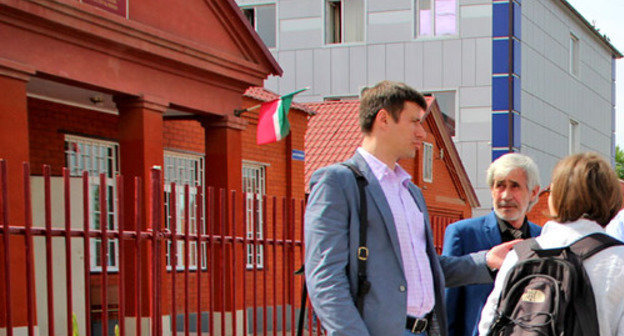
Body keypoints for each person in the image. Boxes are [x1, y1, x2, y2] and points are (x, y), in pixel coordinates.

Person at [304, 81, 518, 336]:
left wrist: (486, 260)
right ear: (383, 119)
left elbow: (425, 267)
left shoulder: (410, 191)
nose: (422, 133)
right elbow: (325, 277)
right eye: (414, 122)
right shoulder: (338, 182)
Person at [478, 152, 624, 336]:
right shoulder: (617, 259)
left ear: (555, 196)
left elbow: (488, 326)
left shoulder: (520, 255)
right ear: (610, 198)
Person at [442, 153, 542, 336]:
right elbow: (448, 306)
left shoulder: (543, 238)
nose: (505, 195)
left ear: (533, 192)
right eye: (500, 186)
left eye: (515, 186)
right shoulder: (463, 234)